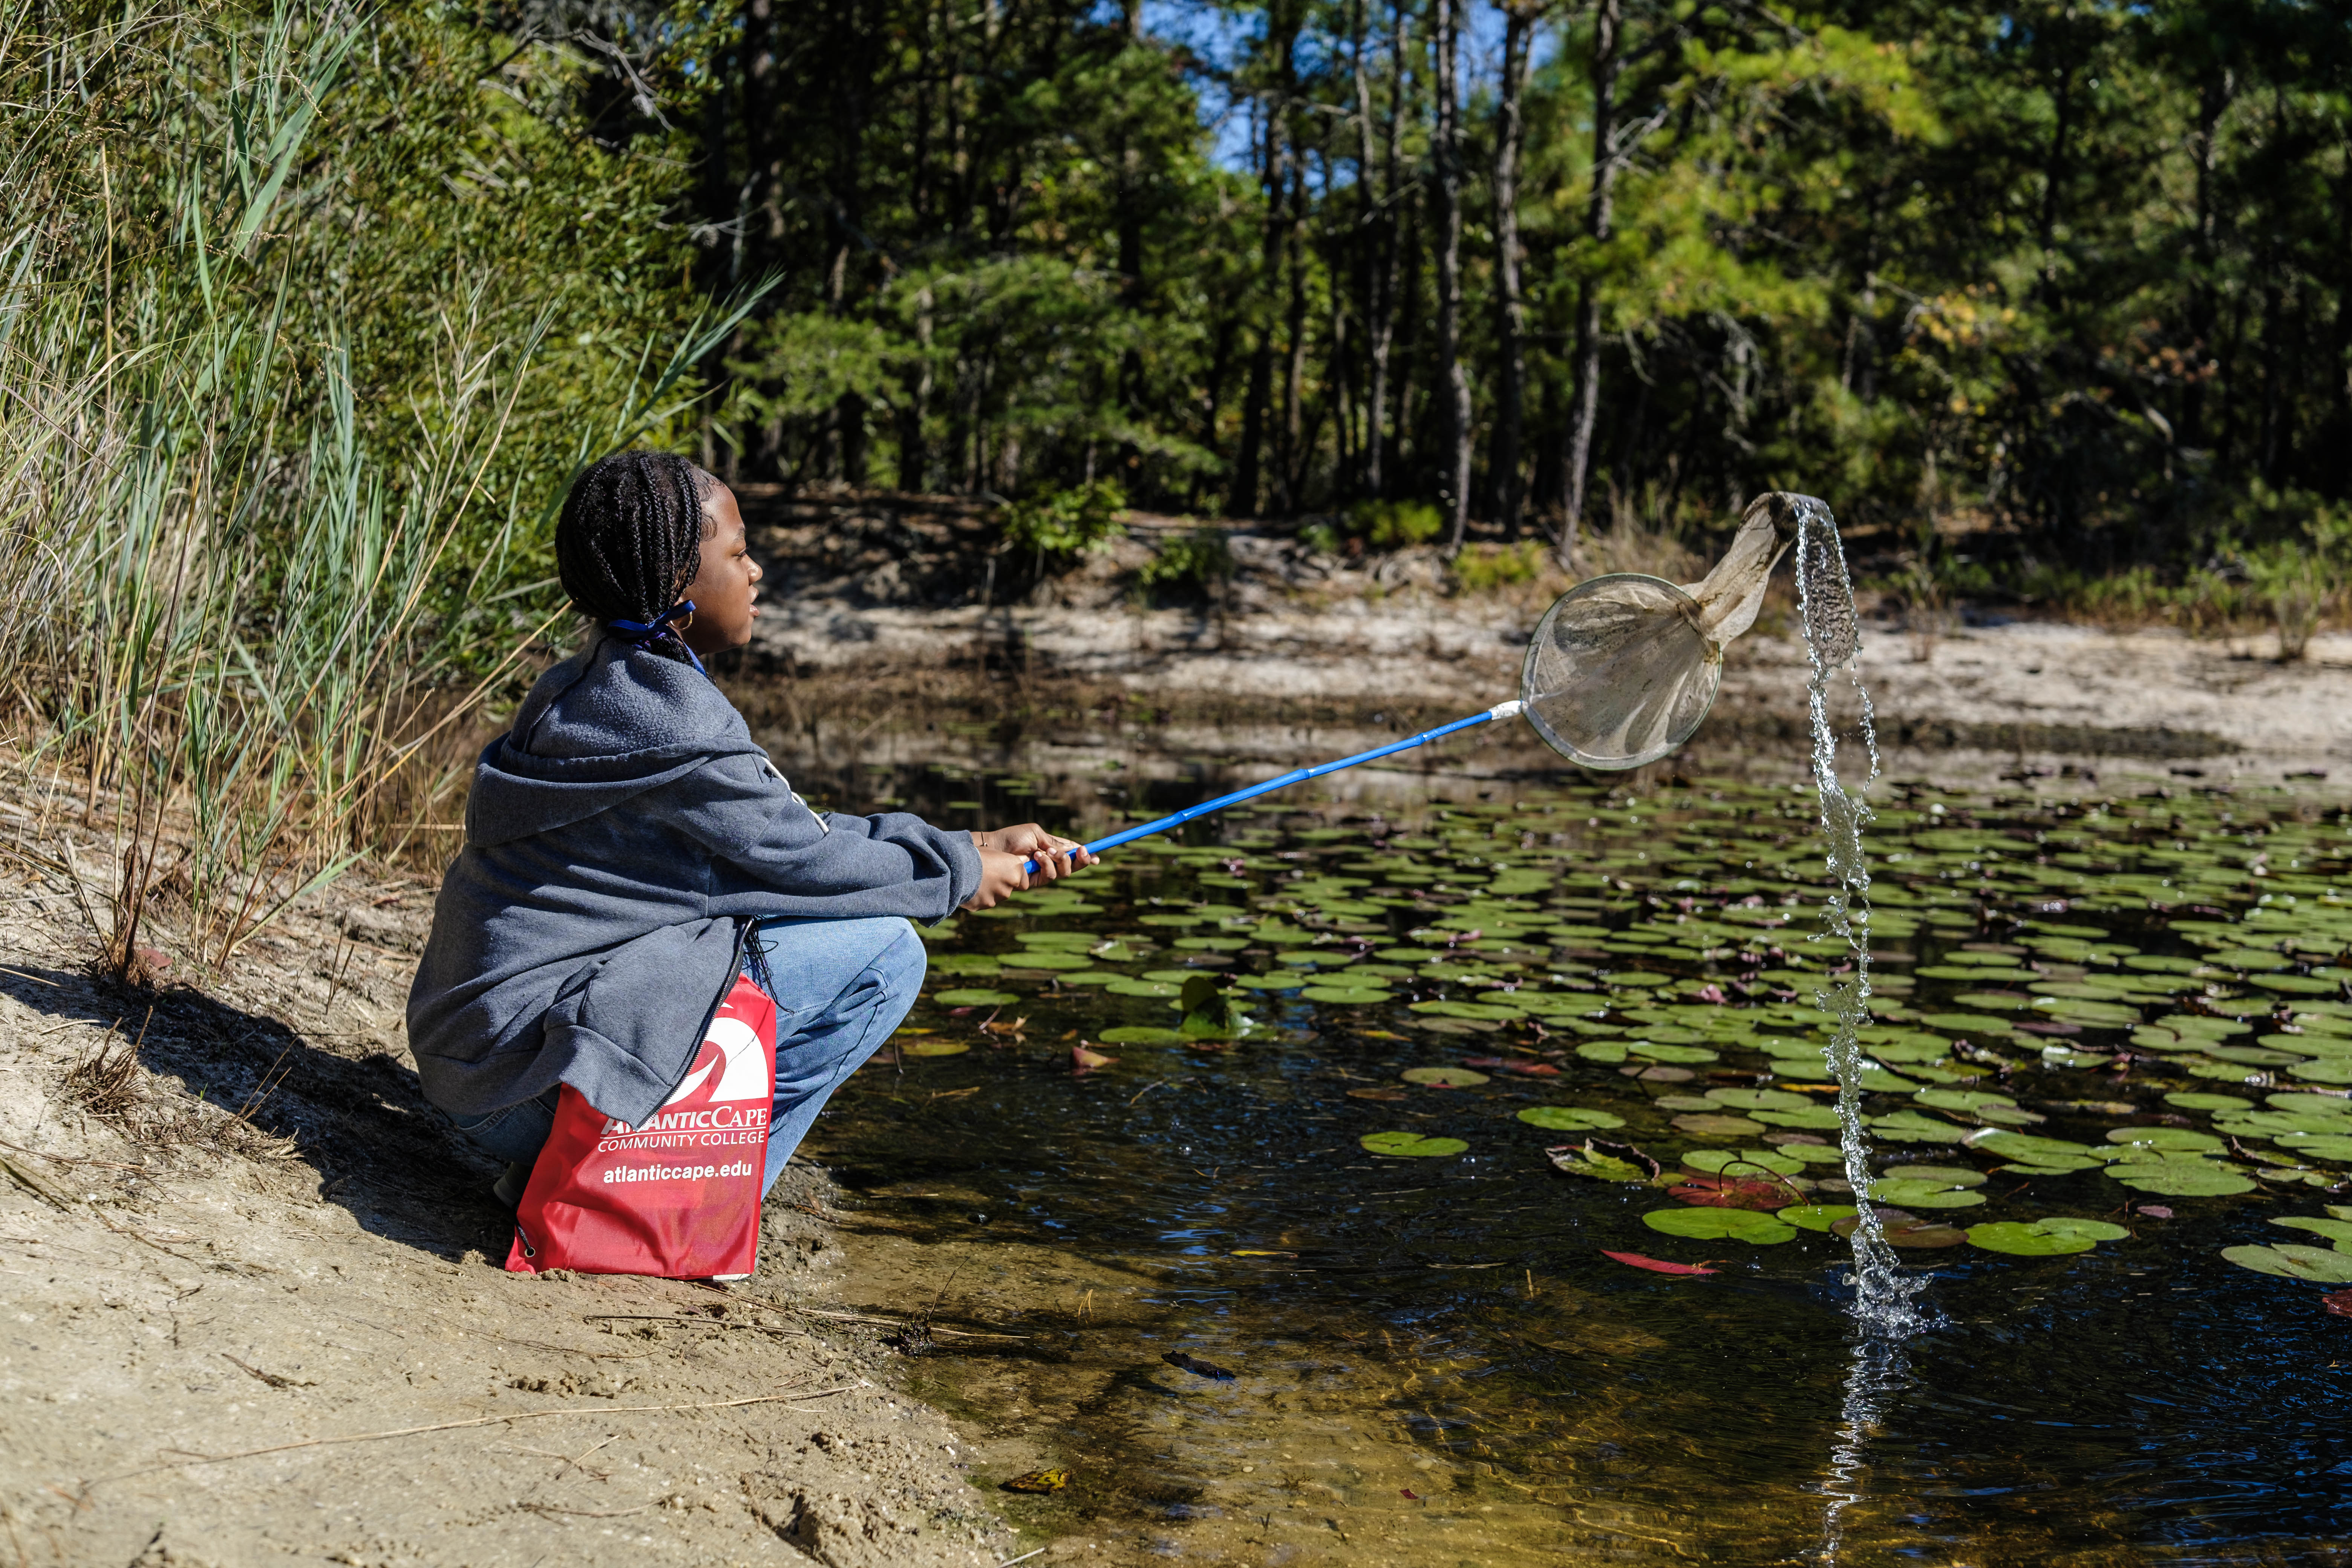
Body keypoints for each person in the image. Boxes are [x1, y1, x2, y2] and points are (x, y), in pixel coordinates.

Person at [406, 450, 1091, 1204]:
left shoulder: (583, 684)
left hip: (465, 1063)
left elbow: (784, 832)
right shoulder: (678, 724)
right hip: (516, 1086)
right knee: (887, 955)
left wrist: (974, 846)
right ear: (678, 587)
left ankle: (569, 1171)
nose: (757, 570)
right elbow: (807, 864)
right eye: (737, 553)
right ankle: (684, 1202)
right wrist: (956, 877)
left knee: (747, 924)